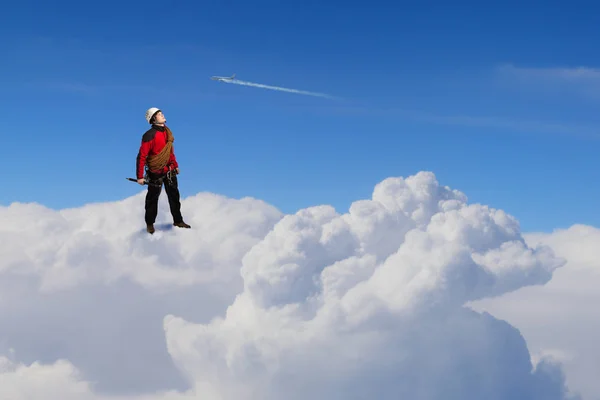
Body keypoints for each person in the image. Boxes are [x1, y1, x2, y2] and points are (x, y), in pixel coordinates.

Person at [136, 107, 191, 234]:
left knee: (174, 196)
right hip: (156, 172)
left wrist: (175, 164)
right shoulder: (149, 135)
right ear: (154, 119)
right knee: (152, 199)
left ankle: (178, 220)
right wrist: (139, 176)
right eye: (159, 114)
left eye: (161, 113)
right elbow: (142, 156)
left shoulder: (167, 132)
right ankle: (150, 224)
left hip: (169, 171)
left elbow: (169, 152)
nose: (162, 115)